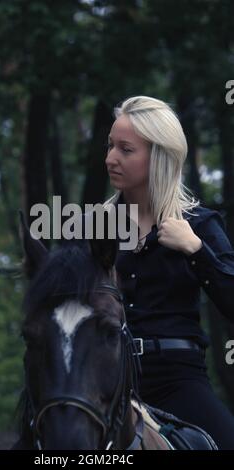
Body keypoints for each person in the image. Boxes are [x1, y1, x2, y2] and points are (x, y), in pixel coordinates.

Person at [103, 95, 234, 450]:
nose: (110, 158)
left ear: (159, 156)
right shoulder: (93, 228)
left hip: (178, 378)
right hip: (105, 378)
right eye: (110, 145)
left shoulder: (200, 225)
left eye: (125, 149)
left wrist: (196, 250)